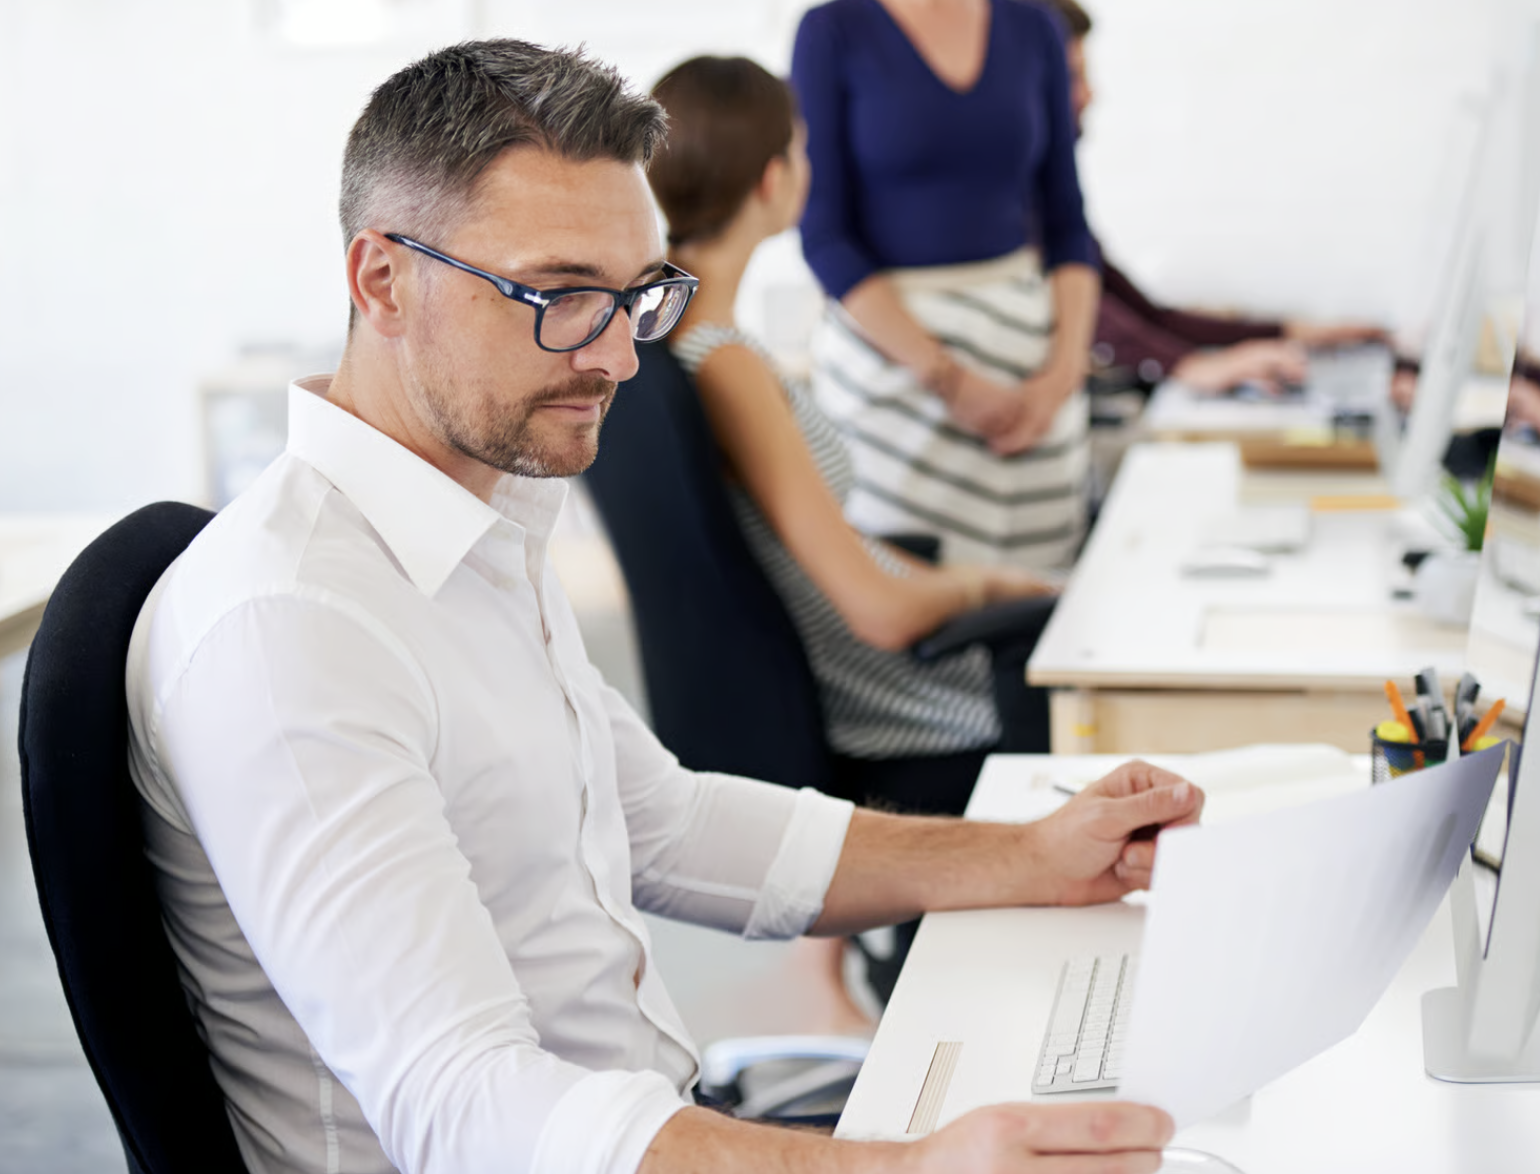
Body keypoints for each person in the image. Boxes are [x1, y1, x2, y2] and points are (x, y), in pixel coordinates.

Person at [125, 39, 1199, 1174]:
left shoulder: (476, 528)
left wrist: (1030, 856)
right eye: (560, 296)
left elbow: (663, 821)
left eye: (638, 297)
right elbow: (464, 1106)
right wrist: (903, 1167)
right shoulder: (294, 627)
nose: (619, 360)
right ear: (382, 281)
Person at [647, 54, 1057, 1024]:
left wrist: (955, 579)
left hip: (808, 686)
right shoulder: (726, 361)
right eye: (798, 148)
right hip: (885, 705)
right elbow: (871, 606)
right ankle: (999, 1009)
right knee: (1068, 662)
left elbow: (834, 549)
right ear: (771, 178)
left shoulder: (674, 345)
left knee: (1047, 620)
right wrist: (983, 581)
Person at [791, 0, 1100, 571]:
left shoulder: (1035, 27)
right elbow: (824, 234)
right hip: (892, 367)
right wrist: (947, 377)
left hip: (1031, 370)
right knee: (910, 590)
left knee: (1041, 597)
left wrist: (1061, 374)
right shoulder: (833, 30)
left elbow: (1069, 226)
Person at [1043, 0, 1384, 396]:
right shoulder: (1009, 206)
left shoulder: (1052, 201)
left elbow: (1147, 316)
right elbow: (1077, 308)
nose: (1089, 95)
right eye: (1070, 78)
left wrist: (1289, 332)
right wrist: (1192, 367)